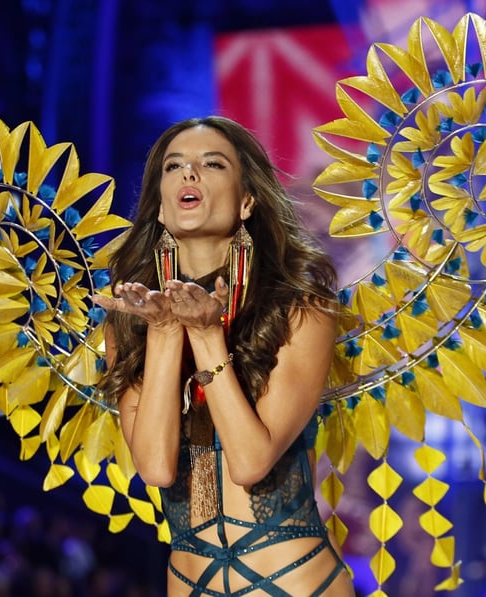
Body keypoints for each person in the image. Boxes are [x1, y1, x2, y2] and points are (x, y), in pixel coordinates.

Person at [93, 116, 355, 596]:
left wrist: (208, 337)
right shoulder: (130, 319)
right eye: (174, 167)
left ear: (247, 200)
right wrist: (168, 332)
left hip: (294, 586)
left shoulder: (302, 309)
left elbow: (251, 461)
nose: (188, 174)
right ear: (160, 206)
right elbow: (154, 467)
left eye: (211, 164)